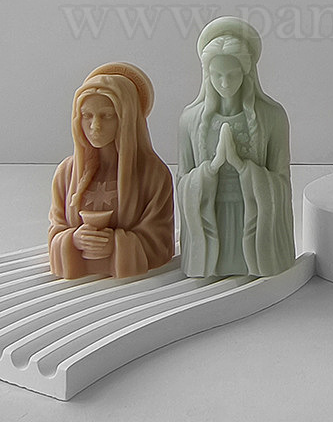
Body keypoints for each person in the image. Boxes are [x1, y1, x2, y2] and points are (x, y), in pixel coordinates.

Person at [177, 17, 295, 277]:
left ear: (246, 72)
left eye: (232, 74)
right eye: (217, 75)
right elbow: (182, 180)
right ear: (207, 75)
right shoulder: (190, 120)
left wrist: (242, 167)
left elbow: (282, 181)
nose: (224, 83)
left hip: (252, 219)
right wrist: (212, 168)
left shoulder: (272, 117)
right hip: (212, 216)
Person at [48, 63, 174, 279]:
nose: (94, 126)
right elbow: (56, 229)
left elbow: (160, 241)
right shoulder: (66, 174)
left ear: (126, 118)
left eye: (106, 116)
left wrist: (116, 245)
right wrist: (74, 240)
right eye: (87, 115)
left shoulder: (154, 175)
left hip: (133, 290)